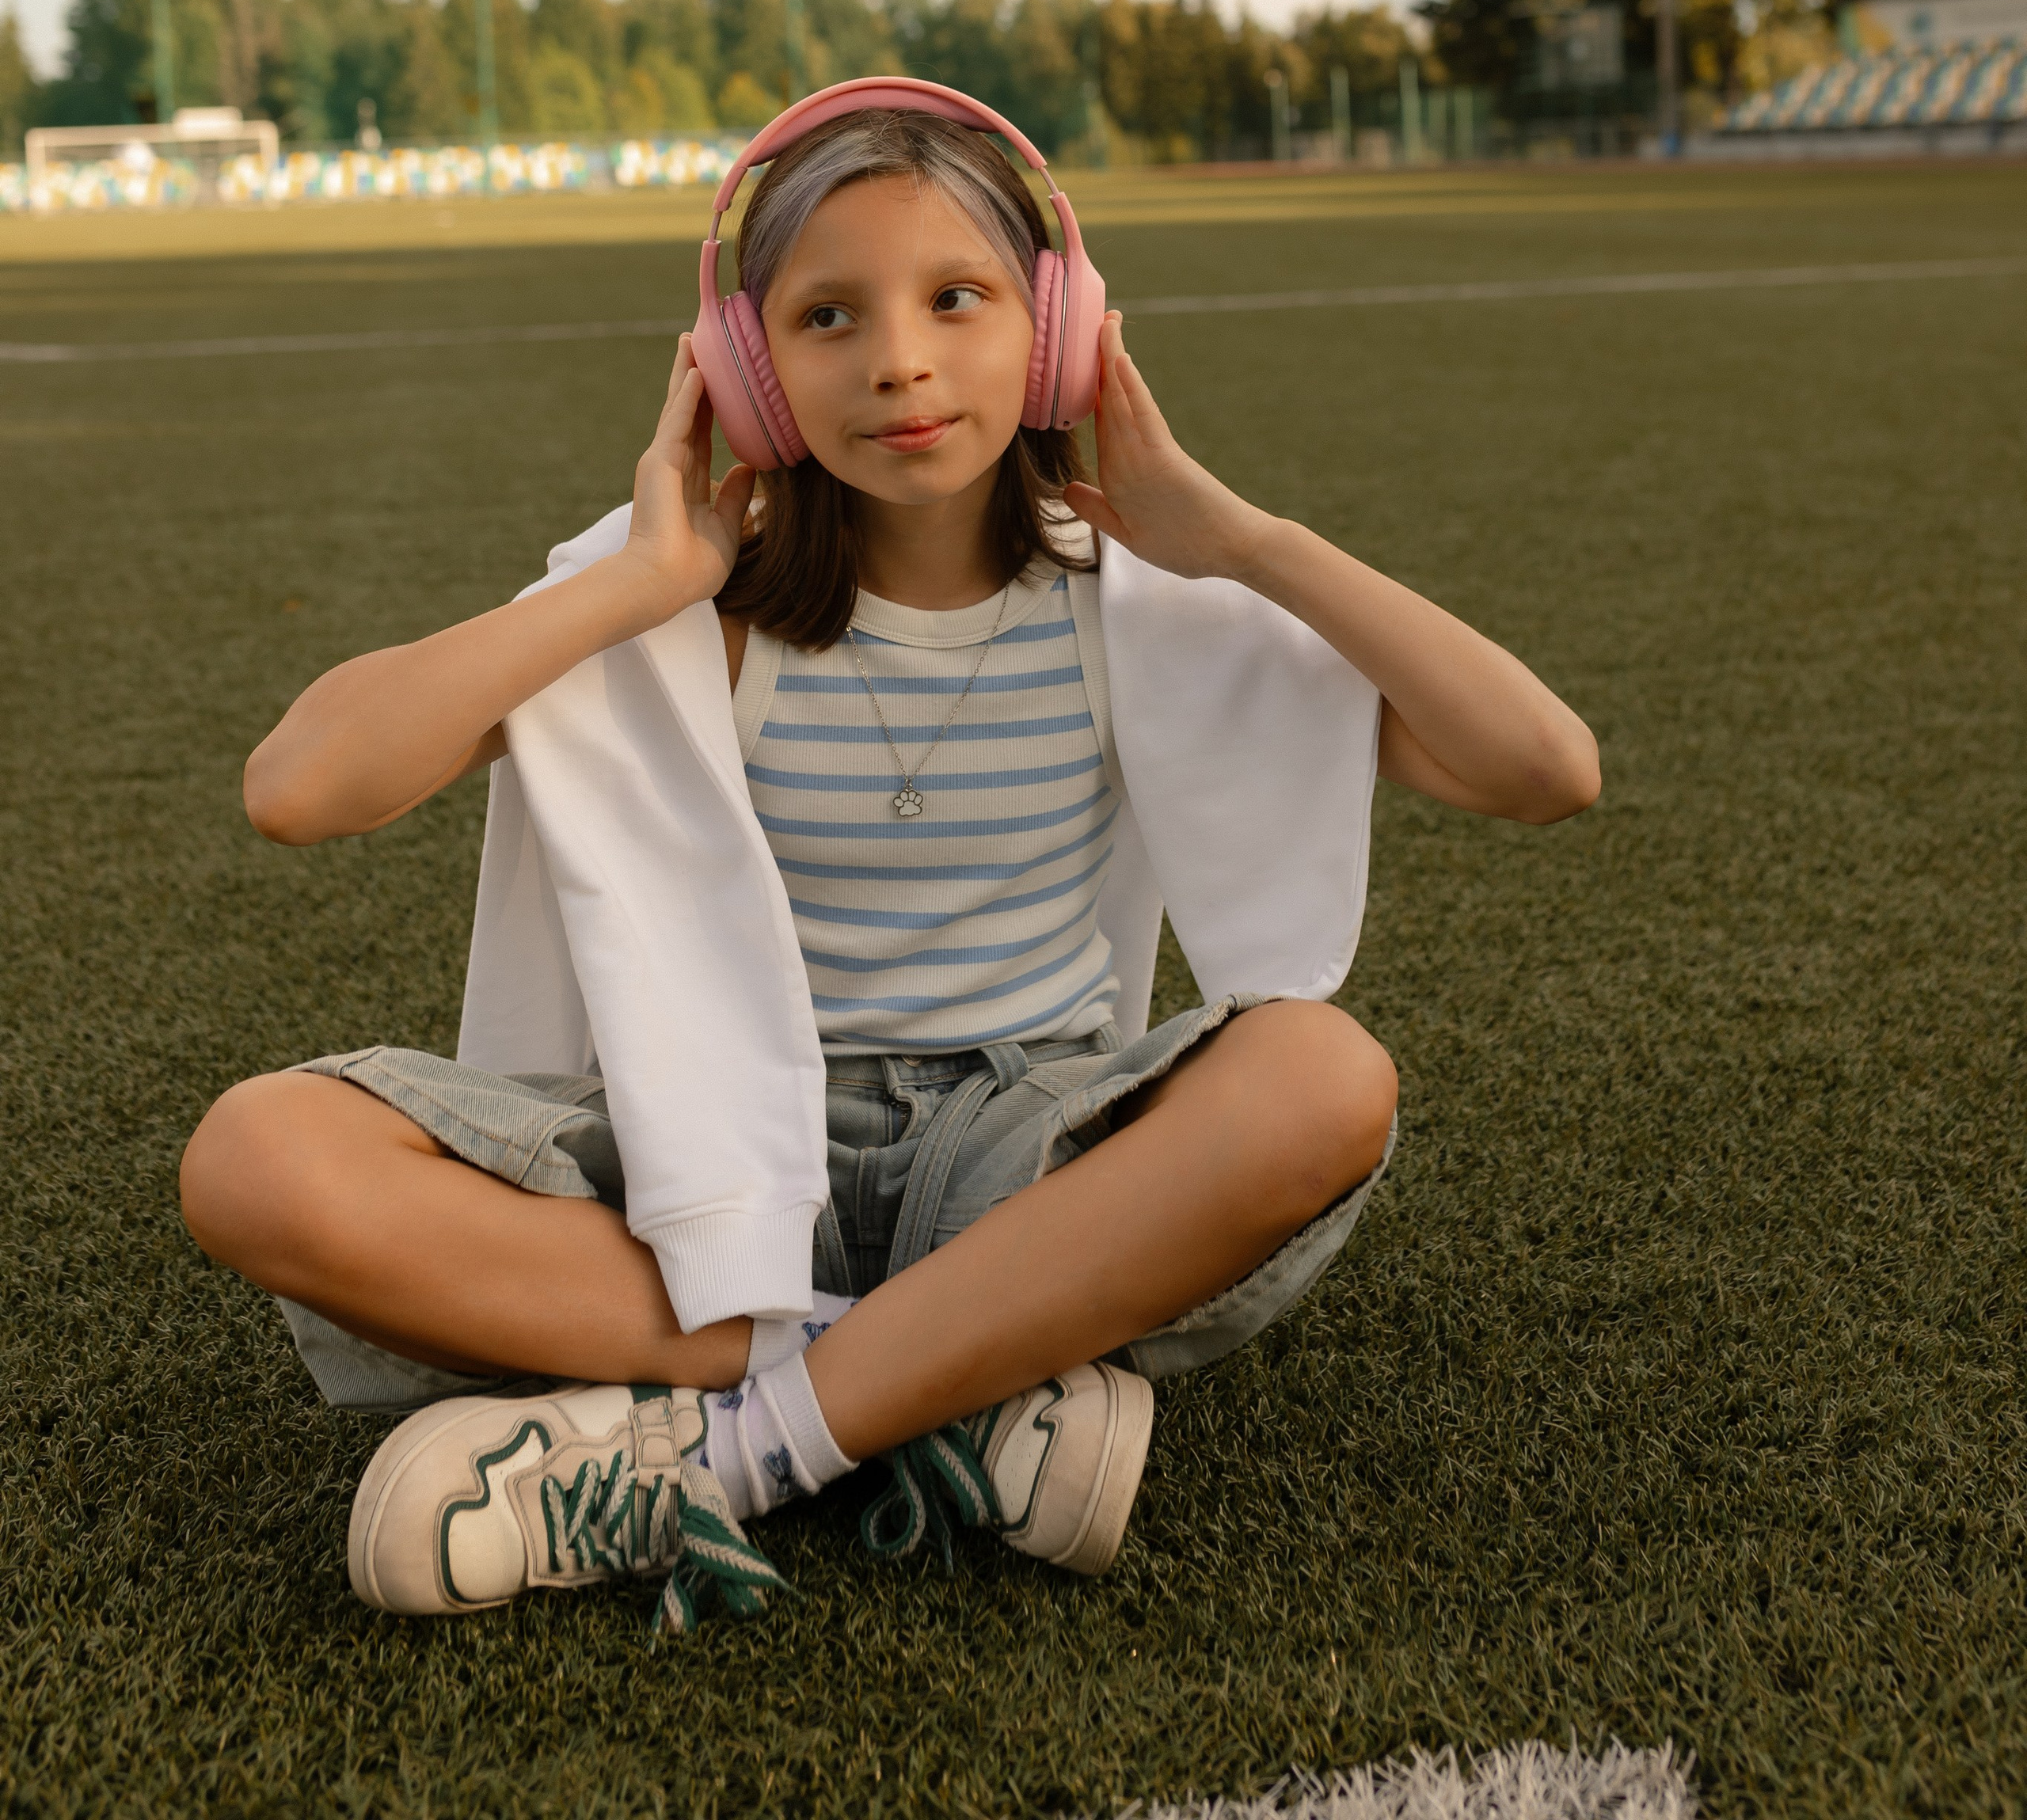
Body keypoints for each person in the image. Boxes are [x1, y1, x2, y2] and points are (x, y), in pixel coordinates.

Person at [181, 83, 1599, 1635]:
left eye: (957, 299)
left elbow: (1542, 769)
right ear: (749, 372)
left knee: (1320, 1075)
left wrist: (1243, 538)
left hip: (1013, 1147)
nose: (901, 362)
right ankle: (953, 1385)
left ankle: (729, 1453)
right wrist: (635, 582)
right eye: (827, 317)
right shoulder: (689, 614)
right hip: (706, 1141)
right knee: (258, 1159)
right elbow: (299, 787)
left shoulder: (1139, 605)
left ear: (1057, 334)